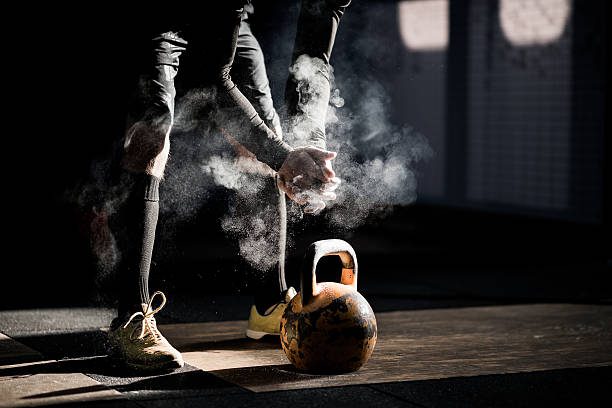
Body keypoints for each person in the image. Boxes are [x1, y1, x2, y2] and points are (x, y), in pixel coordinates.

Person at [106, 0, 351, 372]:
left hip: (222, 17)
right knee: (153, 127)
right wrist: (283, 156)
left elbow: (314, 57)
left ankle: (270, 304)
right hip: (153, 14)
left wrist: (309, 137)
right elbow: (213, 83)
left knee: (266, 128)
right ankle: (131, 318)